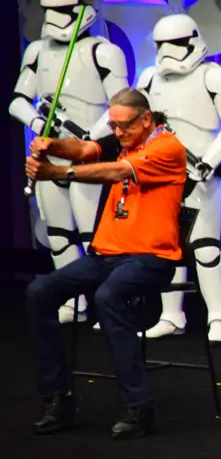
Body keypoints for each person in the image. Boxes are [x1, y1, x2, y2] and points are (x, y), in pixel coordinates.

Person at [24, 88, 187, 440]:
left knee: (108, 297)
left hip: (152, 258)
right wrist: (51, 144)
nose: (118, 133)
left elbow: (115, 173)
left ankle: (140, 407)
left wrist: (57, 172)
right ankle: (59, 398)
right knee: (40, 292)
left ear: (146, 119)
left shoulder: (167, 147)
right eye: (113, 126)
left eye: (124, 125)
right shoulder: (124, 140)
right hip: (106, 256)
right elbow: (85, 150)